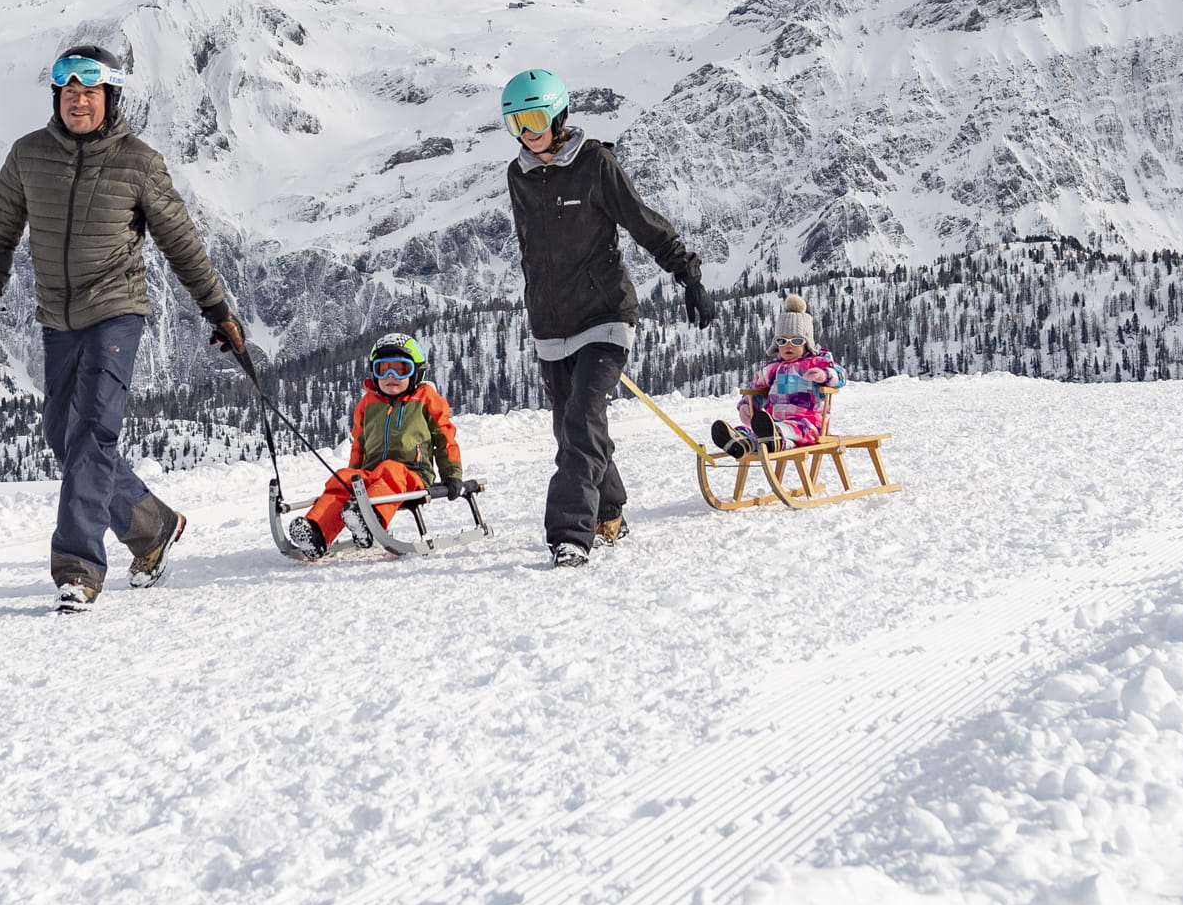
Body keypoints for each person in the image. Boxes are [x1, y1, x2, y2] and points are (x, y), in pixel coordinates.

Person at [0, 44, 248, 613]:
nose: (78, 101)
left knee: (94, 433)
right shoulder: (27, 155)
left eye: (89, 92)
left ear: (109, 97)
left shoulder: (138, 163)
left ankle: (78, 569)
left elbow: (180, 242)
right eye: (68, 91)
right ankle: (152, 526)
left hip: (116, 311)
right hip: (57, 317)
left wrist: (216, 309)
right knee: (62, 437)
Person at [500, 66, 712, 568]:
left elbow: (642, 221)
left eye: (535, 119)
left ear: (558, 115)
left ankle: (570, 535)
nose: (527, 132)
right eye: (515, 123)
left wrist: (688, 274)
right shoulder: (518, 175)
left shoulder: (596, 163)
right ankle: (609, 509)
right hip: (551, 326)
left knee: (581, 422)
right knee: (571, 428)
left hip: (605, 316)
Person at [285, 333, 465, 558]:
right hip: (371, 475)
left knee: (391, 469)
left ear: (416, 372)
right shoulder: (368, 404)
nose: (390, 377)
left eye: (400, 369)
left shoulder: (426, 399)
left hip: (413, 475)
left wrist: (452, 475)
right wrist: (353, 477)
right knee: (342, 478)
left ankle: (371, 520)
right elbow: (359, 445)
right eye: (383, 369)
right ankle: (317, 532)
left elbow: (444, 438)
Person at [712, 297, 839, 458]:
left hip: (809, 423)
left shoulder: (817, 362)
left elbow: (840, 376)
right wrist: (747, 405)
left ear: (807, 343)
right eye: (782, 340)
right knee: (758, 432)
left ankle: (772, 439)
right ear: (776, 344)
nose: (788, 345)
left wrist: (824, 375)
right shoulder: (773, 369)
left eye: (796, 340)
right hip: (772, 423)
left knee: (788, 430)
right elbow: (757, 387)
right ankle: (740, 441)